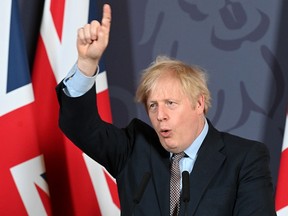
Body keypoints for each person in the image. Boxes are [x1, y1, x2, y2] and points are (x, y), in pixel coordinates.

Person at [56, 4, 276, 216]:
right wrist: (87, 63)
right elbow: (79, 126)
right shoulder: (134, 149)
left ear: (199, 104)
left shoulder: (244, 158)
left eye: (170, 103)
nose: (160, 115)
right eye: (153, 106)